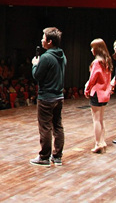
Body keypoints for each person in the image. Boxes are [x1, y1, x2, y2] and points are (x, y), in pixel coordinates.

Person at [30, 27, 66, 167]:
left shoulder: (45, 57)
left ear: (49, 42)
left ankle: (44, 157)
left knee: (45, 127)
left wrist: (34, 65)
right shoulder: (62, 56)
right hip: (59, 96)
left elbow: (37, 76)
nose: (41, 40)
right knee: (58, 126)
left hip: (46, 97)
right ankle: (57, 156)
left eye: (43, 37)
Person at [84, 39, 113, 153]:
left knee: (96, 119)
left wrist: (87, 89)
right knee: (101, 119)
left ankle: (98, 143)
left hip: (96, 92)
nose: (91, 50)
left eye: (93, 48)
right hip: (104, 93)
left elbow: (92, 79)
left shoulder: (97, 62)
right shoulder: (107, 61)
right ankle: (102, 141)